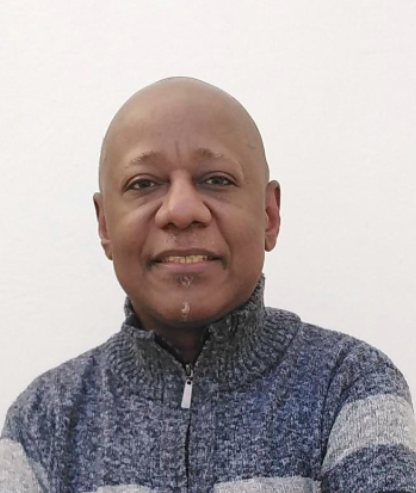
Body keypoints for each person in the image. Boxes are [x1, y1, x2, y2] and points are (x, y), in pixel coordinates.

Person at [1, 77, 415, 493]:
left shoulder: (349, 386)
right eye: (143, 183)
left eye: (216, 180)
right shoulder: (43, 422)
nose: (181, 211)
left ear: (269, 216)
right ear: (105, 224)